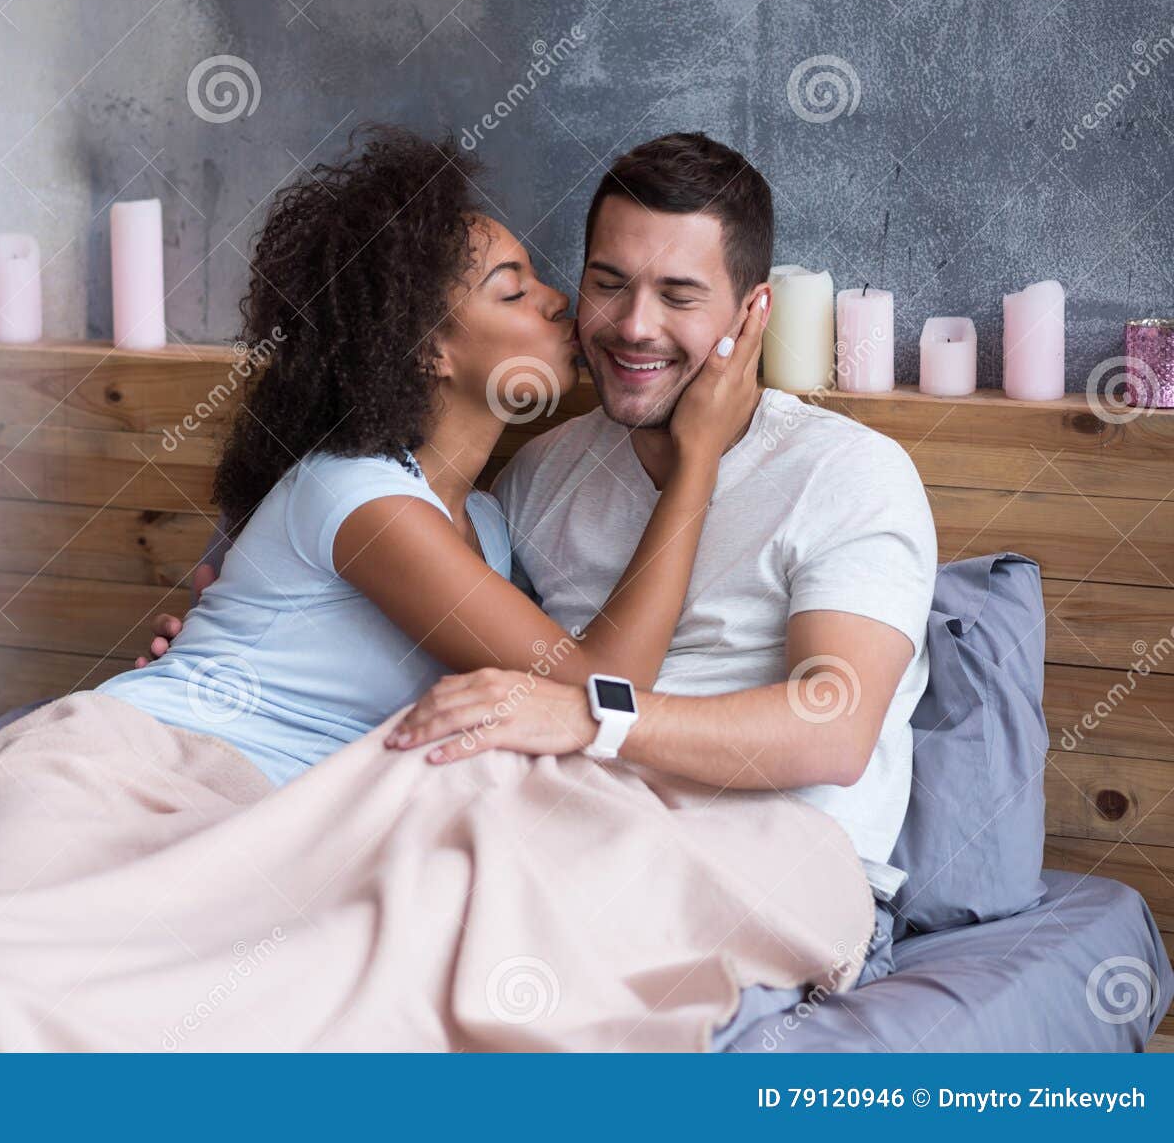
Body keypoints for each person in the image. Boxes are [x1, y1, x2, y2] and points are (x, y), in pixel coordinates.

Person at [108, 125, 766, 786]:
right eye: (514, 290)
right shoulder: (360, 498)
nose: (558, 299)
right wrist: (697, 460)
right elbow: (604, 685)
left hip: (275, 811)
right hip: (158, 770)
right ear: (429, 350)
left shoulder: (488, 524)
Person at [388, 133, 937, 899]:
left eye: (678, 297)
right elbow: (448, 631)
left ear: (753, 313)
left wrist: (594, 716)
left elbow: (834, 728)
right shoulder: (543, 471)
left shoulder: (848, 473)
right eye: (609, 285)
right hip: (553, 846)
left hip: (768, 878)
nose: (635, 326)